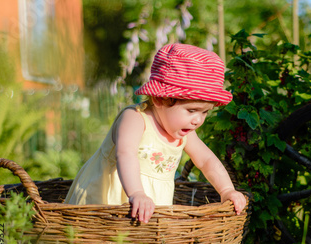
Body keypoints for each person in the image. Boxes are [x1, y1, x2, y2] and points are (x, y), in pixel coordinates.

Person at [65, 43, 246, 223]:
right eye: (192, 110)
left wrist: (226, 190)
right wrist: (137, 193)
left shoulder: (185, 133)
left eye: (205, 112)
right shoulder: (136, 119)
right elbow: (125, 154)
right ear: (160, 99)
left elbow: (207, 161)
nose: (198, 120)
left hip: (151, 206)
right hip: (106, 202)